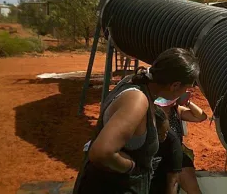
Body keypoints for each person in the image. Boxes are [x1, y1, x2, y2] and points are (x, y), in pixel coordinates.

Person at [73, 48, 199, 194]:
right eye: (186, 89)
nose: (185, 94)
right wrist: (132, 167)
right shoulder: (137, 101)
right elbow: (102, 153)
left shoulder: (134, 82)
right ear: (175, 85)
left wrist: (161, 118)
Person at [157, 92, 207, 194]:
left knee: (194, 190)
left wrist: (187, 102)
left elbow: (201, 116)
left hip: (177, 154)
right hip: (158, 157)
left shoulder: (177, 111)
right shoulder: (152, 113)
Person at [150, 109, 183, 194]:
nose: (165, 136)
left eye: (167, 131)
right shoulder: (139, 138)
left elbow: (173, 180)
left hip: (161, 187)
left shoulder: (172, 141)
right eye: (160, 134)